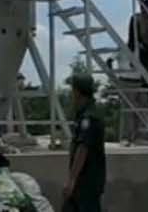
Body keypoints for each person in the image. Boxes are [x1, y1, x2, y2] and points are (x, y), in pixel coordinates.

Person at [63, 73, 106, 212]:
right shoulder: (82, 114)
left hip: (87, 182)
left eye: (73, 89)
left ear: (77, 92)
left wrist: (71, 180)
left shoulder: (89, 118)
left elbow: (83, 149)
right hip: (82, 181)